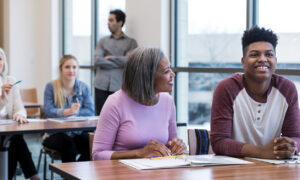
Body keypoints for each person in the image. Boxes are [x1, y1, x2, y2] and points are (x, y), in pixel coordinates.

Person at [210, 26, 300, 159]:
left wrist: (291, 146)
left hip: (273, 168)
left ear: (275, 60)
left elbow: (296, 136)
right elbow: (219, 142)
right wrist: (262, 152)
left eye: (269, 54)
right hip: (234, 168)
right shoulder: (227, 88)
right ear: (243, 62)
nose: (263, 59)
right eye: (254, 54)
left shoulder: (287, 89)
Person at [92, 47, 186, 160]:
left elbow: (171, 145)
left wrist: (178, 147)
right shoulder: (115, 103)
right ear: (147, 76)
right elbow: (97, 155)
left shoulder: (168, 101)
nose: (172, 75)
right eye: (166, 71)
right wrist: (139, 153)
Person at [43, 55, 94, 162]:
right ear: (60, 69)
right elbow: (47, 111)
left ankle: (77, 175)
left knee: (92, 144)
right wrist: (67, 112)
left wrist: (76, 112)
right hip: (55, 133)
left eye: (74, 67)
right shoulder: (51, 86)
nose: (71, 70)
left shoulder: (83, 87)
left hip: (77, 132)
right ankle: (69, 176)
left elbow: (90, 111)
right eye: (67, 67)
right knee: (69, 145)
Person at [0, 48, 40, 180]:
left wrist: (20, 115)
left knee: (14, 139)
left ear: (4, 62)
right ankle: (34, 176)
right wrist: (2, 98)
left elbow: (20, 107)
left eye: (0, 59)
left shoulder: (10, 80)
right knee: (15, 140)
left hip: (8, 132)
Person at [94, 9, 138, 115]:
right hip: (101, 86)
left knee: (119, 118)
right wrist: (122, 59)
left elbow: (131, 62)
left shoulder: (131, 43)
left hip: (120, 87)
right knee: (100, 119)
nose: (108, 23)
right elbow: (97, 60)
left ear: (120, 23)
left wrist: (110, 57)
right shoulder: (102, 41)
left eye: (111, 20)